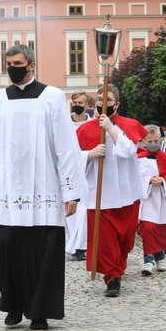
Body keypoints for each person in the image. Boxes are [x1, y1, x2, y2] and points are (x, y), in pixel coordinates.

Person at [0, 45, 84, 331]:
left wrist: (71, 192)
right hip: (8, 189)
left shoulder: (51, 97)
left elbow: (65, 146)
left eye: (17, 63)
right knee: (5, 250)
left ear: (32, 65)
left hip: (44, 187)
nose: (12, 67)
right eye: (9, 63)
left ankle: (39, 312)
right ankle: (13, 304)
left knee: (42, 252)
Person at [76, 84, 148, 297]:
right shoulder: (85, 129)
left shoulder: (126, 125)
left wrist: (110, 128)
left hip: (127, 194)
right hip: (101, 195)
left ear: (116, 103)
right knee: (105, 241)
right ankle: (112, 279)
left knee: (125, 239)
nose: (102, 103)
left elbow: (128, 151)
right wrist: (91, 154)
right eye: (99, 99)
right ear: (95, 103)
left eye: (107, 100)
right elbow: (72, 159)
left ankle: (118, 268)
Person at [137, 125, 166, 275]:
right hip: (148, 199)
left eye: (156, 140)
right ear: (144, 141)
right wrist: (149, 180)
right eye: (149, 141)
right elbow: (134, 178)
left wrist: (164, 181)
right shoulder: (139, 159)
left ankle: (160, 257)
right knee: (148, 228)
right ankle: (148, 259)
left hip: (163, 199)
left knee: (162, 229)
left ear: (161, 139)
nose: (153, 144)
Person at [67, 91, 92, 261]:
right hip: (69, 173)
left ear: (87, 105)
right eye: (75, 101)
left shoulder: (93, 124)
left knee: (84, 210)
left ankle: (82, 246)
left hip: (89, 172)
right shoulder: (65, 124)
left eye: (81, 102)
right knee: (72, 213)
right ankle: (75, 245)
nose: (77, 104)